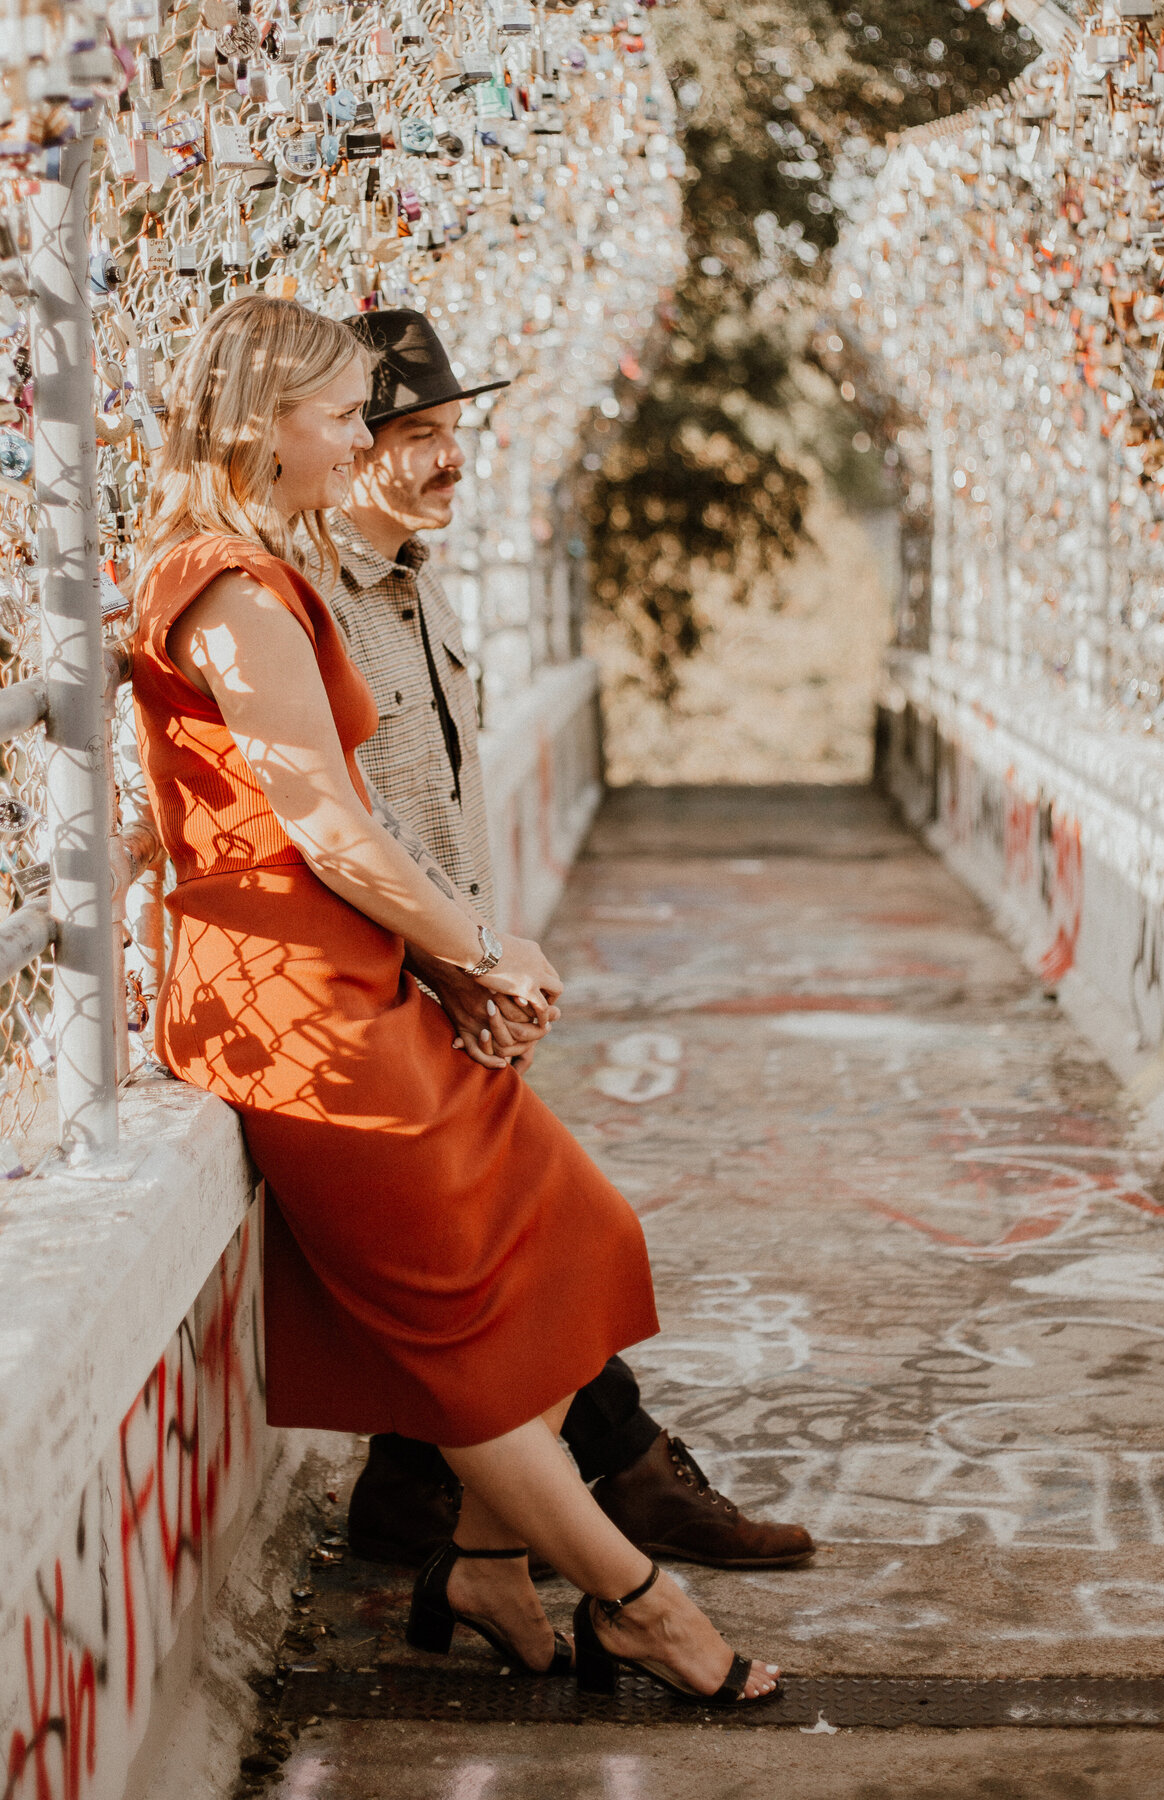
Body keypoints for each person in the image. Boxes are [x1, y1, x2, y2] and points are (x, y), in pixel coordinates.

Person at [131, 293, 781, 1706]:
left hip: (364, 978)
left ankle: (489, 1564)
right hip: (301, 1011)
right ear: (263, 425)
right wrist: (479, 950)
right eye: (337, 411)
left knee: (580, 1241)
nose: (354, 432)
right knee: (471, 1355)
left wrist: (450, 959)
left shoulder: (266, 575)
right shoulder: (229, 590)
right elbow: (326, 826)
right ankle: (642, 1605)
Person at [325, 308, 816, 1575]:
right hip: (393, 988)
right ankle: (634, 1484)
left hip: (458, 979)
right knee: (545, 1236)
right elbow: (347, 818)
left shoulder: (419, 593)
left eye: (456, 433)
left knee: (489, 1255)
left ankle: (414, 1496)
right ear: (340, 440)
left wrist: (495, 944)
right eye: (415, 435)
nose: (450, 460)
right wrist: (462, 958)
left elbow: (441, 795)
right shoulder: (312, 604)